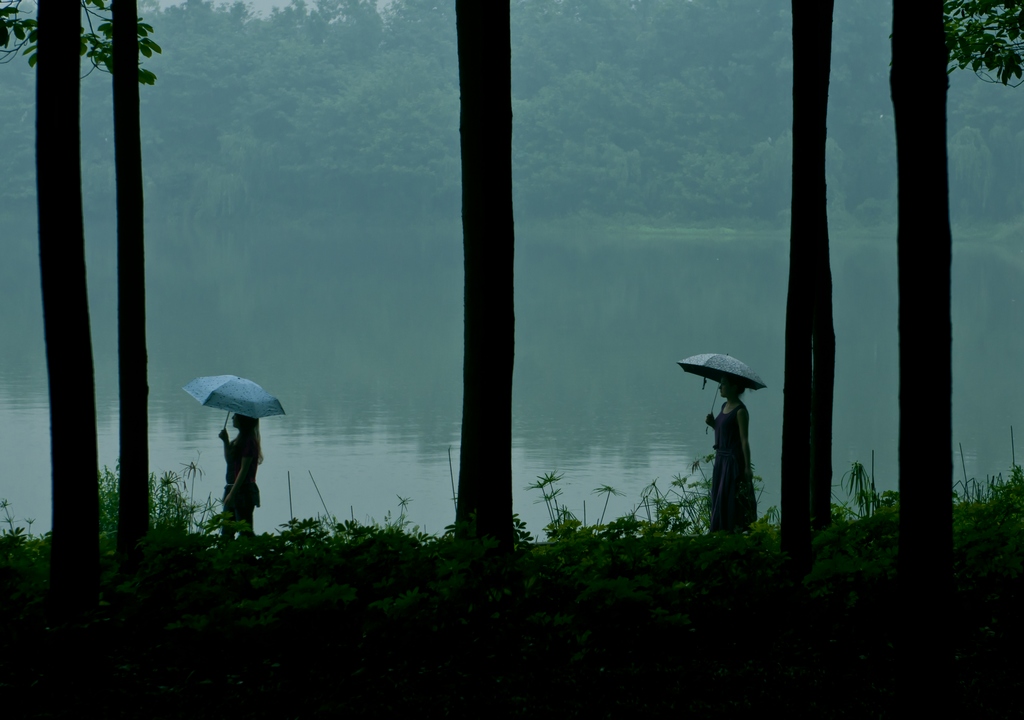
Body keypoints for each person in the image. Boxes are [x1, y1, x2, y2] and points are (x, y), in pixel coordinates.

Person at [704, 374, 757, 532]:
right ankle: (720, 531)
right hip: (721, 460)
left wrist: (747, 467)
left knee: (732, 498)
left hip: (733, 462)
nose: (720, 387)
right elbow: (726, 433)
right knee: (720, 496)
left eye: (724, 384)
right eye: (720, 384)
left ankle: (734, 531)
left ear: (734, 387)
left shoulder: (740, 411)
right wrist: (713, 424)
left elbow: (743, 440)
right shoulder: (723, 407)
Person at [219, 413, 263, 536]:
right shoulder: (238, 440)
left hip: (244, 491)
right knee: (227, 530)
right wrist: (225, 441)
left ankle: (249, 553)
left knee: (245, 531)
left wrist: (232, 494)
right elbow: (230, 462)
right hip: (232, 487)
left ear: (244, 420)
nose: (232, 418)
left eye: (235, 416)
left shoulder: (249, 442)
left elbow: (243, 471)